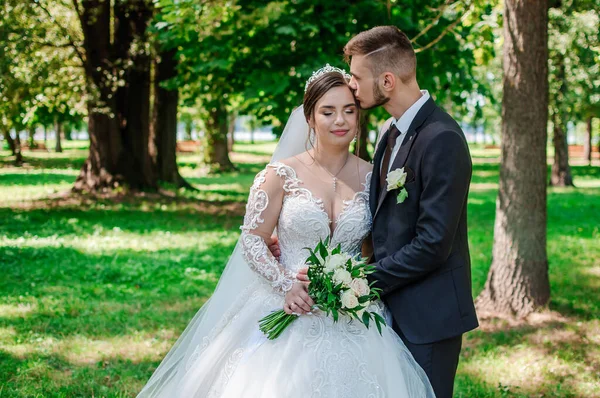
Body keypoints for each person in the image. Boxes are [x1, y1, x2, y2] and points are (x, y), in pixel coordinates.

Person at [136, 66, 434, 397]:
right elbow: (252, 238)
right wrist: (287, 285)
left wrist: (353, 279)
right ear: (310, 117)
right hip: (286, 303)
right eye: (328, 111)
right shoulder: (279, 174)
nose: (341, 121)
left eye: (349, 111)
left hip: (354, 311)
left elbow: (373, 246)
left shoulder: (374, 177)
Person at [310, 26, 479, 398]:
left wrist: (357, 280)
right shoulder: (390, 132)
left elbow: (433, 243)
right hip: (386, 310)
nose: (351, 86)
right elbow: (380, 217)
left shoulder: (442, 139)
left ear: (386, 81)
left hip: (428, 317)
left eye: (356, 78)